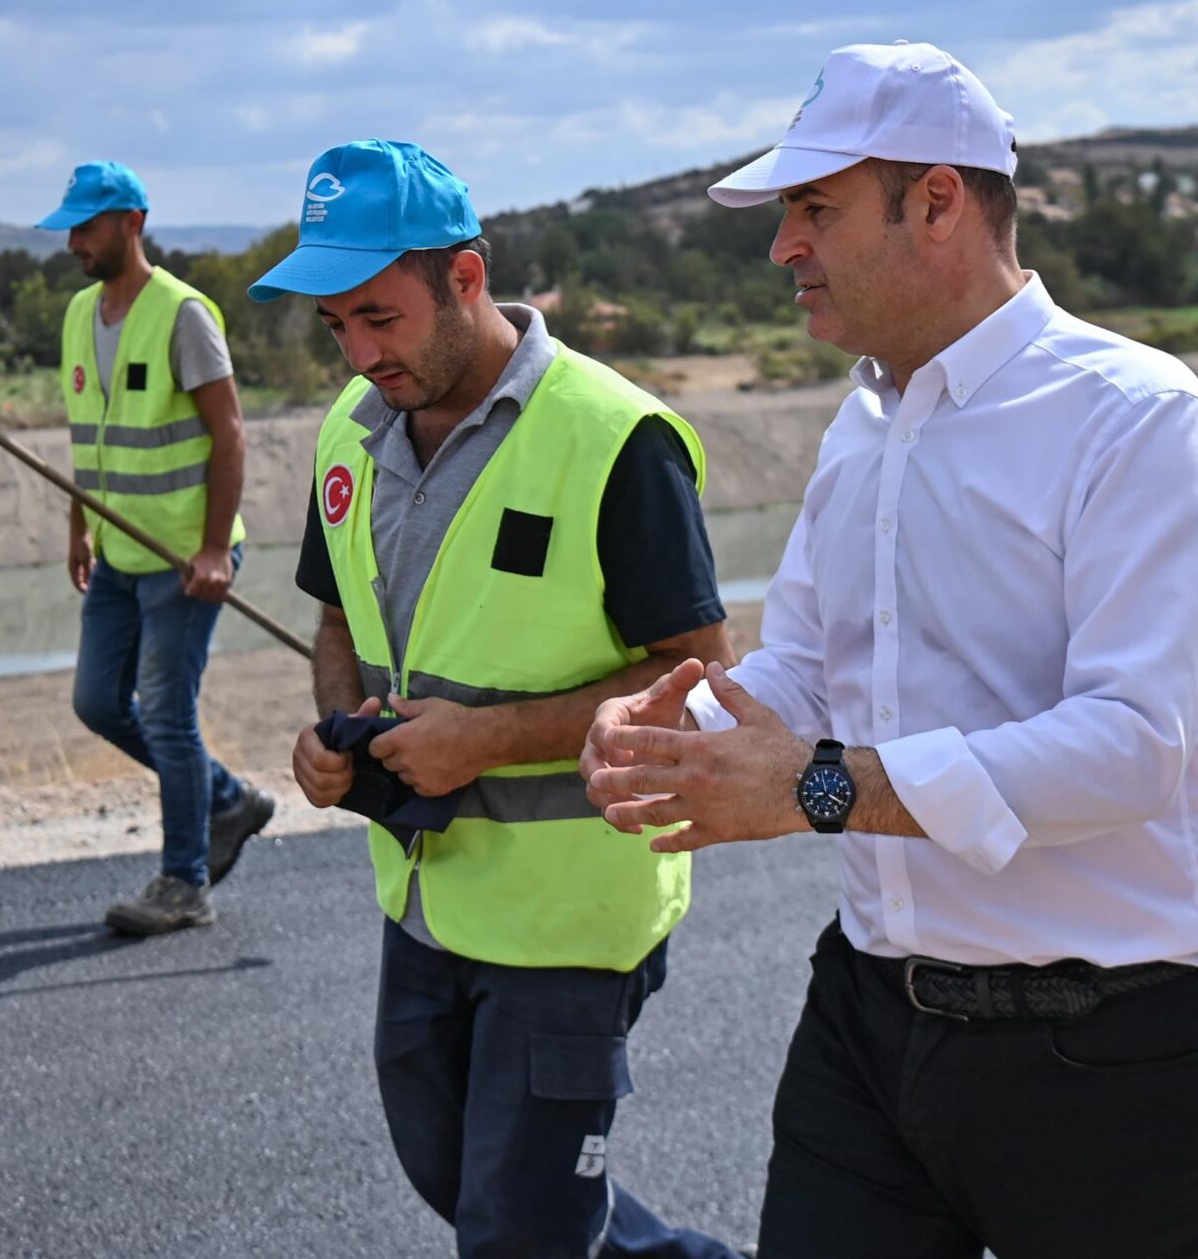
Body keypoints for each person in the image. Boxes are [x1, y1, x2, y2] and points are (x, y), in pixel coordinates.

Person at [585, 43, 1198, 1258]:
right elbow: (804, 665)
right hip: (869, 1023)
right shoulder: (863, 423)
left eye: (815, 208)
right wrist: (674, 731)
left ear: (938, 200)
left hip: (1109, 1048)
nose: (784, 246)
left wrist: (816, 787)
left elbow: (1130, 746)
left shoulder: (1135, 415)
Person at [262, 140, 736, 1259]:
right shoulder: (352, 429)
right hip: (426, 897)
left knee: (517, 1229)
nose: (358, 352)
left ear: (465, 277)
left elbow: (698, 679)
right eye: (335, 325)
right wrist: (334, 731)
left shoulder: (614, 437)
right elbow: (338, 627)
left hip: (572, 913)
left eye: (380, 317)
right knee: (467, 1181)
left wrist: (487, 739)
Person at [37, 161, 275, 937]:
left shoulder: (183, 314)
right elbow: (90, 436)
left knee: (168, 716)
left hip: (183, 561)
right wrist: (78, 526)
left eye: (86, 227)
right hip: (117, 551)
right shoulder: (79, 315)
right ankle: (227, 800)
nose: (74, 242)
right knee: (98, 702)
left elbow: (229, 432)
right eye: (70, 228)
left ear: (131, 222)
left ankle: (185, 884)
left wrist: (213, 548)